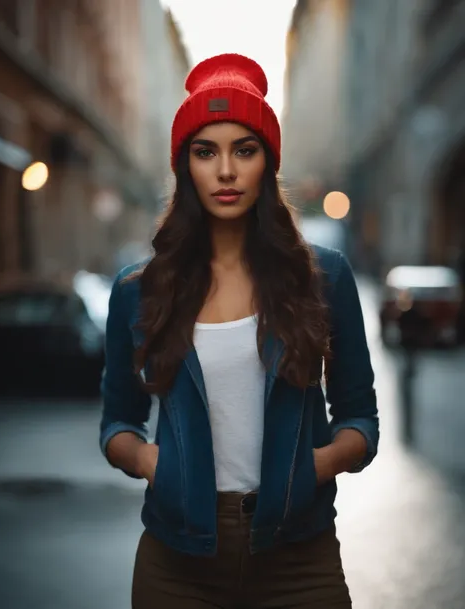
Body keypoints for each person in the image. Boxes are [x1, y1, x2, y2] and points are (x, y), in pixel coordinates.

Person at [100, 53, 379, 609]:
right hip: (176, 562)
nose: (225, 171)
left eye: (244, 150)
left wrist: (312, 468)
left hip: (300, 555)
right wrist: (154, 463)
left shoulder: (323, 277)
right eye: (206, 152)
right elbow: (118, 424)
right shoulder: (139, 289)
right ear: (186, 166)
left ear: (266, 165)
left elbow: (360, 421)